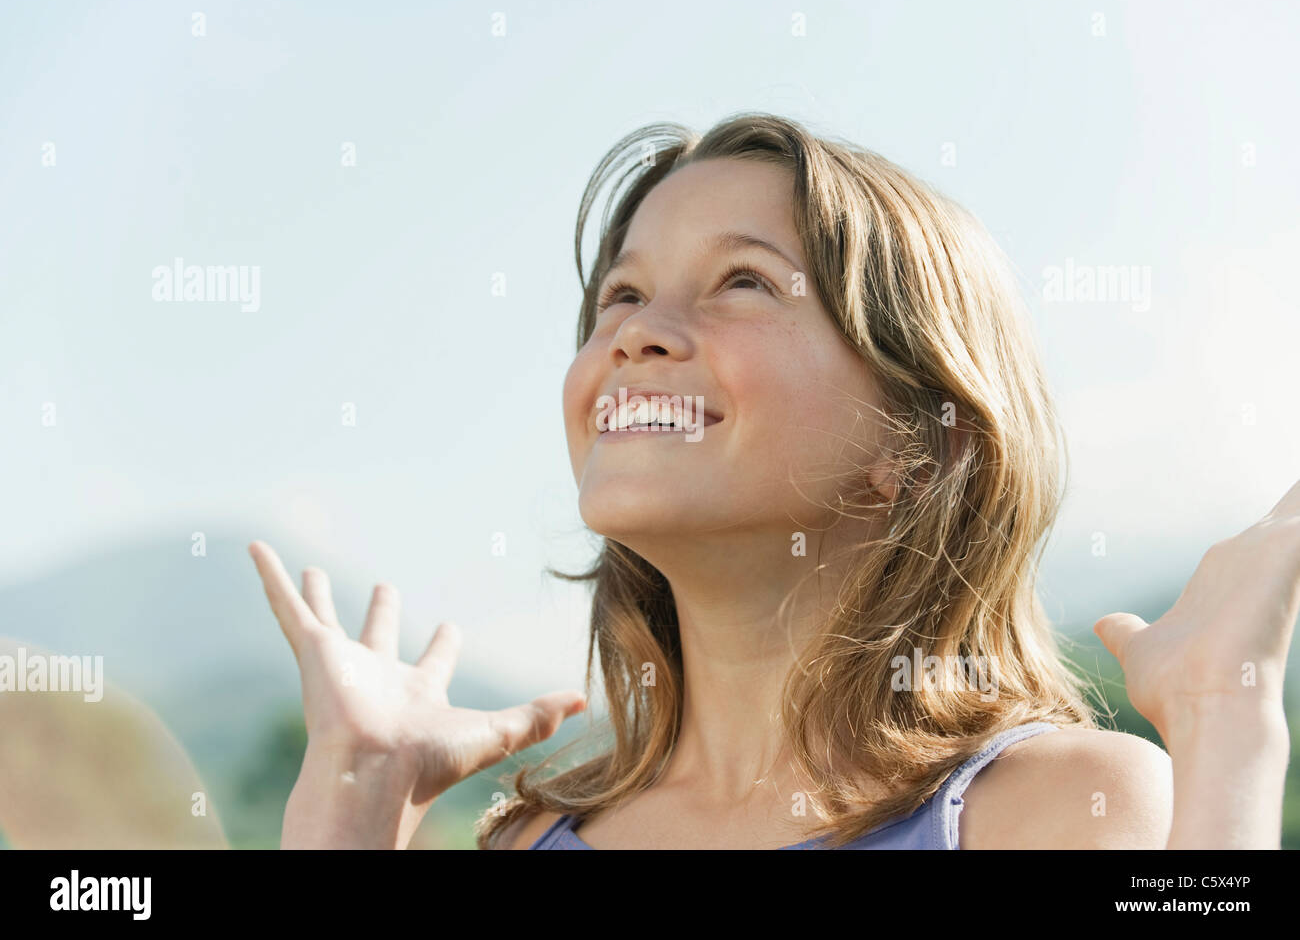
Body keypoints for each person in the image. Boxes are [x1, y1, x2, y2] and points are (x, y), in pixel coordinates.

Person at [249, 113, 1298, 850]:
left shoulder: (1062, 808)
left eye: (742, 282)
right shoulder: (527, 838)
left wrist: (1225, 730)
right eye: (619, 294)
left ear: (920, 446)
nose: (636, 335)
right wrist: (357, 793)